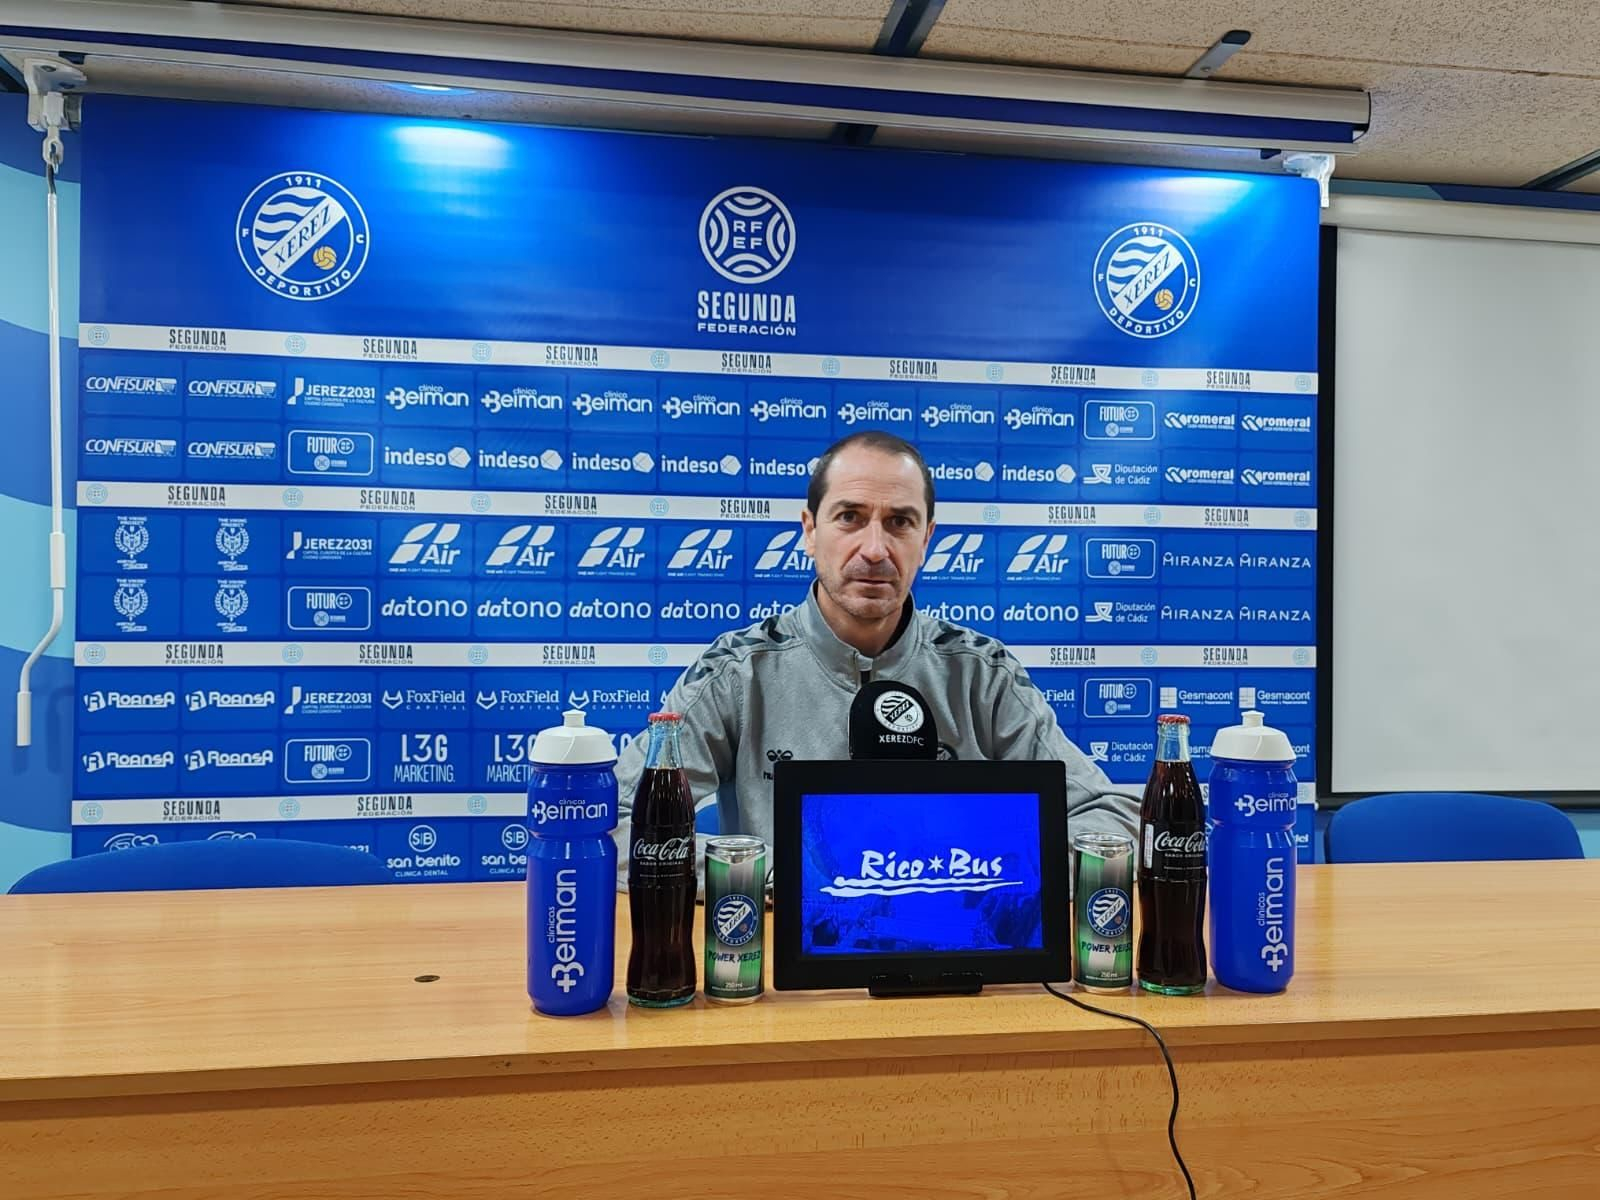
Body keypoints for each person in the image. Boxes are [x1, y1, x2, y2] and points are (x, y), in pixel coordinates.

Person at [614, 430, 1140, 888]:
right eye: (850, 517)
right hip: (781, 976)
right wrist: (791, 879)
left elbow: (1113, 817)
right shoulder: (738, 673)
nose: (874, 548)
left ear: (927, 538)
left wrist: (982, 871)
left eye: (900, 522)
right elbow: (618, 824)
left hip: (953, 950)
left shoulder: (982, 674)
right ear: (809, 531)